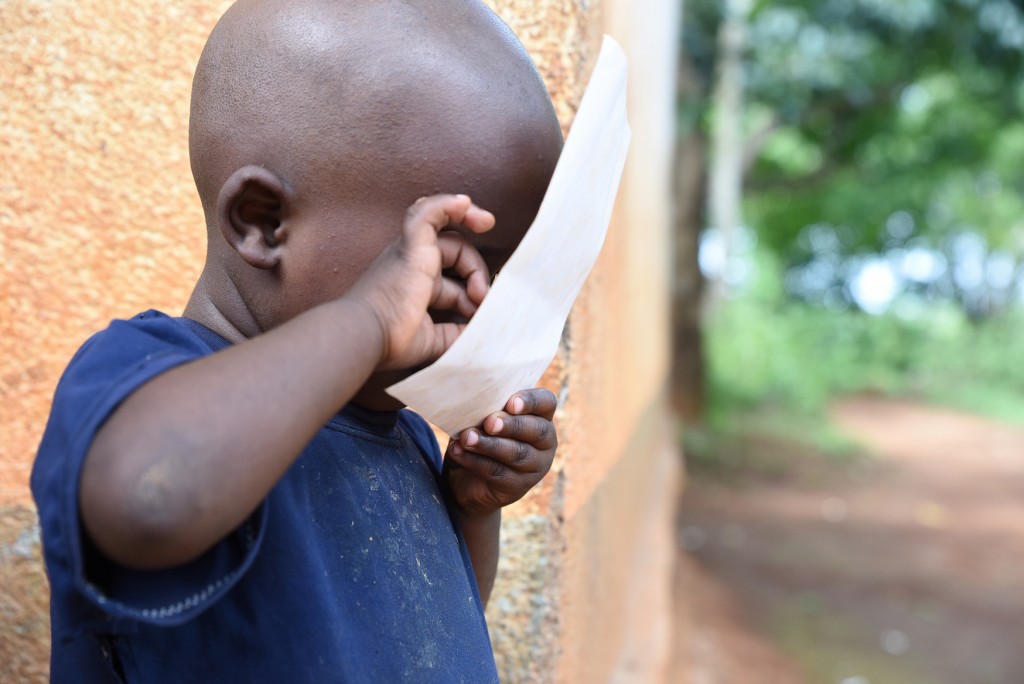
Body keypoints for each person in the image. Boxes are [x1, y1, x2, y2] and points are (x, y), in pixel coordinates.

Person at [31, 0, 565, 681]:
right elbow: (150, 499)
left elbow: (422, 636)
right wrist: (370, 320)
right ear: (263, 224)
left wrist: (469, 511)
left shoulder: (397, 435)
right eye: (452, 258)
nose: (486, 306)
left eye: (509, 273)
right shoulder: (147, 380)